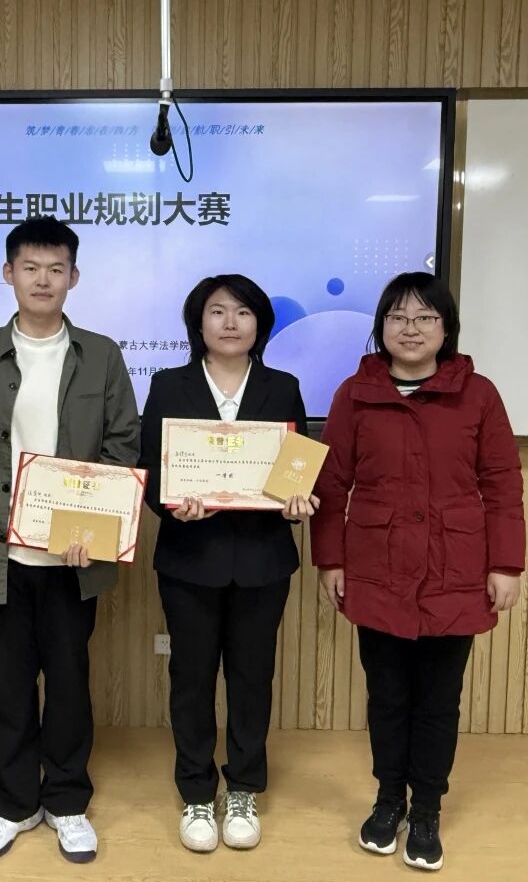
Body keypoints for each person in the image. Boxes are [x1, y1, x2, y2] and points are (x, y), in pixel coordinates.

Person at [0, 216, 138, 865]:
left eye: (56, 269)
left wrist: (92, 529)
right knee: (8, 687)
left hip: (73, 560)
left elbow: (122, 446)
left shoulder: (101, 355)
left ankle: (68, 801)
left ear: (74, 277)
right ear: (9, 274)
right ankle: (14, 802)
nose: (43, 280)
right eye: (30, 268)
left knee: (70, 683)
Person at [311, 271, 524, 872]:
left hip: (455, 570)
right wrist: (330, 559)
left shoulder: (478, 394)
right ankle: (388, 801)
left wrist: (506, 564)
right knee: (386, 696)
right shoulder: (355, 394)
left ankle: (426, 809)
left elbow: (502, 484)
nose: (411, 329)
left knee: (437, 701)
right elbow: (332, 482)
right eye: (398, 317)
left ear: (446, 328)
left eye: (425, 317)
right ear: (381, 326)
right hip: (375, 568)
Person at [138, 274, 317, 853]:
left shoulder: (283, 387)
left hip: (263, 560)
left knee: (252, 678)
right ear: (199, 322)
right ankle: (196, 791)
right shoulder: (168, 385)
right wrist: (172, 504)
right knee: (190, 679)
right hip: (189, 558)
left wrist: (296, 504)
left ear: (260, 323)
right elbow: (151, 472)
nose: (231, 322)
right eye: (218, 311)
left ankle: (243, 787)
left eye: (243, 312)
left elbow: (296, 471)